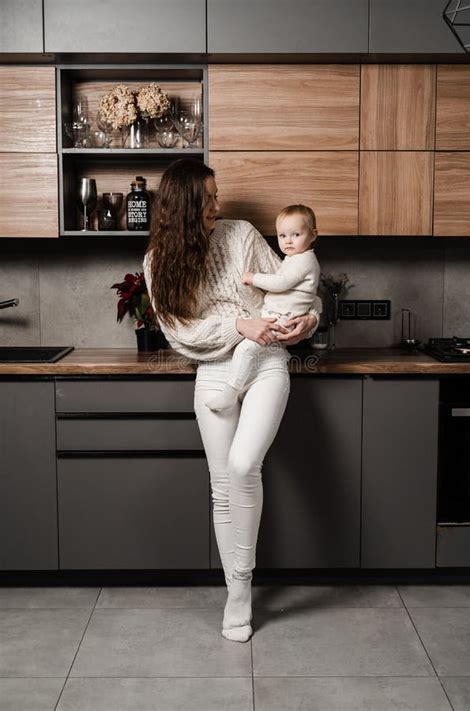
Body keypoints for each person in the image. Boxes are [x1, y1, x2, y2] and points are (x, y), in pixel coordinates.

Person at [142, 158, 321, 644]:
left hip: (266, 360)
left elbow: (293, 286)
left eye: (218, 196)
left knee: (244, 466)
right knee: (223, 487)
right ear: (184, 207)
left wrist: (308, 322)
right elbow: (179, 331)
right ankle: (238, 592)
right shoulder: (159, 261)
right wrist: (238, 324)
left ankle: (241, 584)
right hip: (215, 370)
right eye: (210, 198)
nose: (219, 206)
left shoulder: (240, 235)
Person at [205, 204, 320, 412]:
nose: (288, 241)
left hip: (283, 319)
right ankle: (233, 391)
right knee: (249, 352)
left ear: (313, 235)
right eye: (282, 236)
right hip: (278, 316)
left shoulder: (303, 261)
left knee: (245, 350)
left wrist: (253, 278)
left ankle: (229, 393)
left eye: (296, 234)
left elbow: (281, 282)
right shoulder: (296, 258)